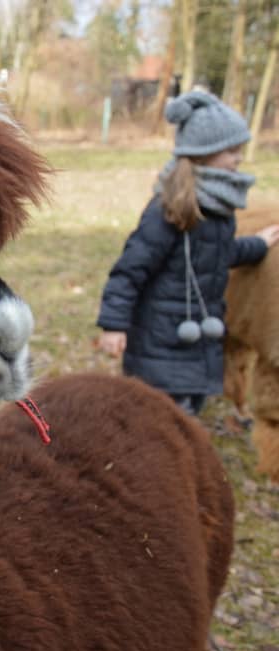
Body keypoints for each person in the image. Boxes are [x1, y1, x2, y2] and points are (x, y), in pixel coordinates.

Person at [97, 91, 279, 415]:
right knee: (163, 417)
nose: (239, 158)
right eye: (232, 151)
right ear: (203, 154)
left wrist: (259, 245)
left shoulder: (218, 207)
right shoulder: (167, 212)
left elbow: (221, 253)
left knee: (189, 410)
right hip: (161, 341)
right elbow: (129, 270)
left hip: (197, 340)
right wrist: (114, 325)